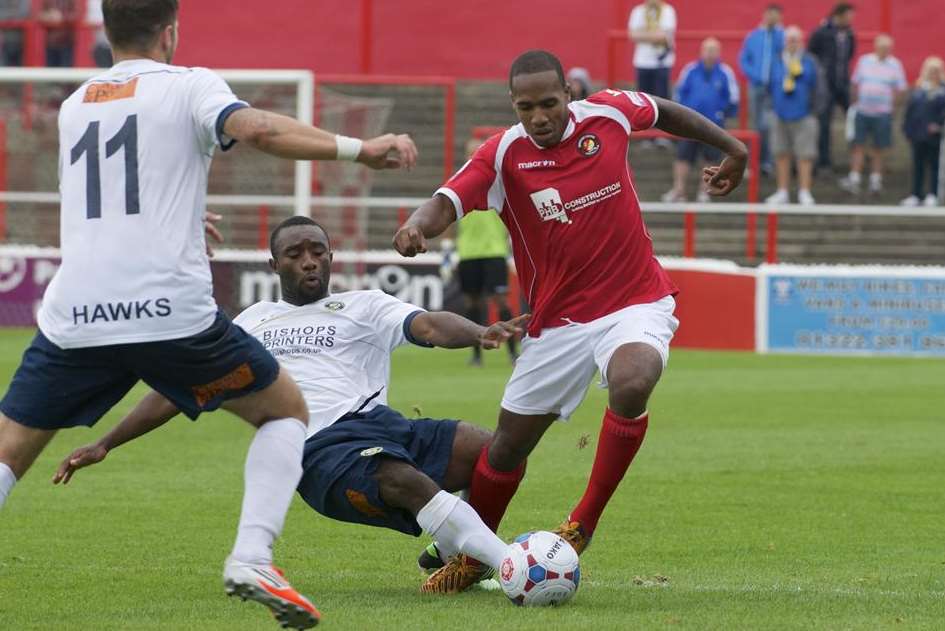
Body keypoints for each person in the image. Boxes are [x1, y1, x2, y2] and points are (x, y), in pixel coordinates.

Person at [0, 1, 417, 629]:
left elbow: (111, 196)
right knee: (285, 412)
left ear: (107, 32)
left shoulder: (75, 103)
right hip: (169, 311)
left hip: (76, 313)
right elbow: (260, 131)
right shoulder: (191, 84)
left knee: (8, 450)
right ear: (171, 30)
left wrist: (177, 219)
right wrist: (361, 149)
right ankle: (252, 556)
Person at [393, 49, 747, 592]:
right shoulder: (504, 155)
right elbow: (446, 200)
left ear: (569, 94)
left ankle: (582, 523)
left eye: (549, 103)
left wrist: (732, 147)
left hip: (634, 300)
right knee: (508, 447)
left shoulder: (609, 114)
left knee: (633, 379)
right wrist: (417, 225)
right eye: (526, 106)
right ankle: (474, 552)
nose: (538, 116)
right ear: (514, 105)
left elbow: (665, 111)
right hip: (556, 322)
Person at [54, 216, 527, 595]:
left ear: (331, 257)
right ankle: (514, 567)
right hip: (318, 447)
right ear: (273, 264)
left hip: (384, 428)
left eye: (318, 252)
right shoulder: (252, 323)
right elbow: (180, 388)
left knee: (498, 450)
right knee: (398, 478)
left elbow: (429, 325)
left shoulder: (365, 304)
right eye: (295, 254)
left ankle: (455, 556)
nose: (309, 261)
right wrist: (106, 442)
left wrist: (480, 332)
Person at [456, 137, 519, 367]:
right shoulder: (458, 183)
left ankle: (513, 351)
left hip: (494, 251)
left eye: (477, 152)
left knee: (501, 302)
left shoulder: (498, 182)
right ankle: (476, 354)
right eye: (470, 153)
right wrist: (446, 251)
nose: (473, 157)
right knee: (472, 303)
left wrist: (513, 250)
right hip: (468, 253)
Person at [663, 37, 739, 203]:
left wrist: (722, 114)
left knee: (710, 160)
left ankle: (705, 191)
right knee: (683, 157)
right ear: (701, 51)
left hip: (713, 125)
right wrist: (681, 115)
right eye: (707, 49)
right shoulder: (690, 70)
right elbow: (679, 93)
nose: (710, 53)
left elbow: (732, 98)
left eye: (713, 50)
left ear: (719, 53)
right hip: (689, 123)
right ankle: (679, 190)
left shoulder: (725, 72)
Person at [839, 34, 907, 196]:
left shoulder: (895, 65)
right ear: (876, 47)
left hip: (882, 113)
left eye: (888, 48)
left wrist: (893, 108)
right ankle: (854, 178)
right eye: (883, 47)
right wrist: (855, 103)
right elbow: (855, 83)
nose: (885, 51)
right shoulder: (865, 61)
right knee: (857, 146)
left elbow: (901, 88)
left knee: (879, 148)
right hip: (863, 111)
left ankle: (875, 180)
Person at [766, 26, 820, 206]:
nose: (792, 43)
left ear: (801, 41)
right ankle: (782, 191)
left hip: (804, 114)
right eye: (789, 40)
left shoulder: (809, 61)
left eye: (795, 39)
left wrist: (815, 110)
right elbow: (768, 86)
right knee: (781, 154)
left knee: (805, 155)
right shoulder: (776, 61)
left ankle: (805, 191)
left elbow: (818, 86)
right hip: (780, 113)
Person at [808, 2, 856, 172]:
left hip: (842, 85)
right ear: (839, 15)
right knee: (824, 124)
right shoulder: (821, 33)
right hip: (825, 86)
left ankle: (856, 161)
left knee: (853, 119)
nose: (851, 19)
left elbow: (849, 56)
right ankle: (824, 162)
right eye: (849, 15)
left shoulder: (850, 34)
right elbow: (811, 55)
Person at [738, 3, 784, 174]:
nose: (772, 18)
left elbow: (785, 60)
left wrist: (777, 78)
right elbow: (744, 60)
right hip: (756, 87)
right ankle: (755, 162)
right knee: (756, 125)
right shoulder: (754, 36)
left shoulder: (783, 37)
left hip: (775, 89)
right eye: (770, 14)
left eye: (776, 15)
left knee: (771, 125)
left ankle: (769, 162)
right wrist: (755, 76)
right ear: (764, 15)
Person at [628, 0, 676, 149]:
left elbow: (663, 37)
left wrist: (644, 35)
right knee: (643, 102)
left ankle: (661, 135)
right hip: (643, 62)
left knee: (662, 100)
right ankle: (646, 136)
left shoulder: (668, 11)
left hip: (662, 62)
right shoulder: (638, 11)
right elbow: (632, 34)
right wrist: (654, 35)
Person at [901, 56, 945, 207]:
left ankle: (932, 193)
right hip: (917, 133)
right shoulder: (918, 89)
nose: (933, 73)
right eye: (930, 70)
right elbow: (910, 110)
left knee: (934, 165)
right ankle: (916, 194)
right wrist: (907, 129)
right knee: (917, 165)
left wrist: (939, 125)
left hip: (935, 135)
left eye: (936, 71)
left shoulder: (942, 90)